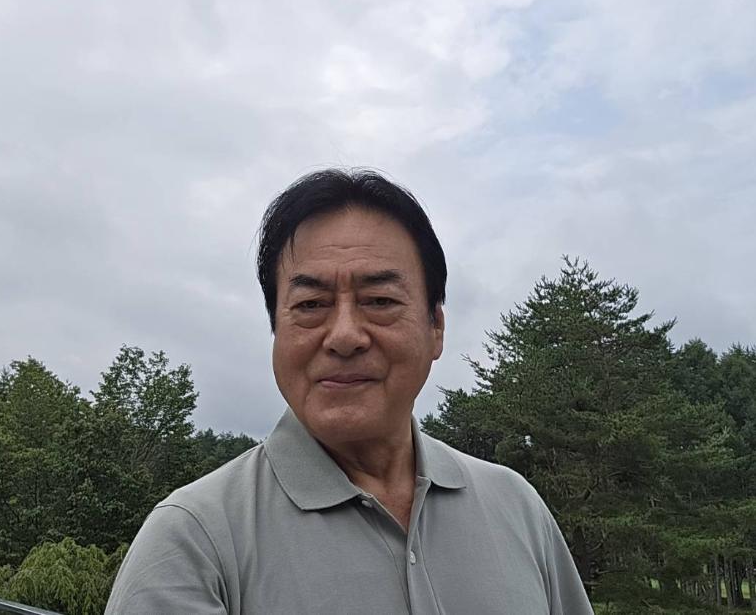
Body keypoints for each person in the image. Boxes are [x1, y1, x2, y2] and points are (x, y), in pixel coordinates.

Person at [105, 169, 594, 614]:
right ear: (276, 329)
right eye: (311, 304)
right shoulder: (195, 539)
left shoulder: (515, 506)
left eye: (379, 300)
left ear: (436, 328)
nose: (344, 336)